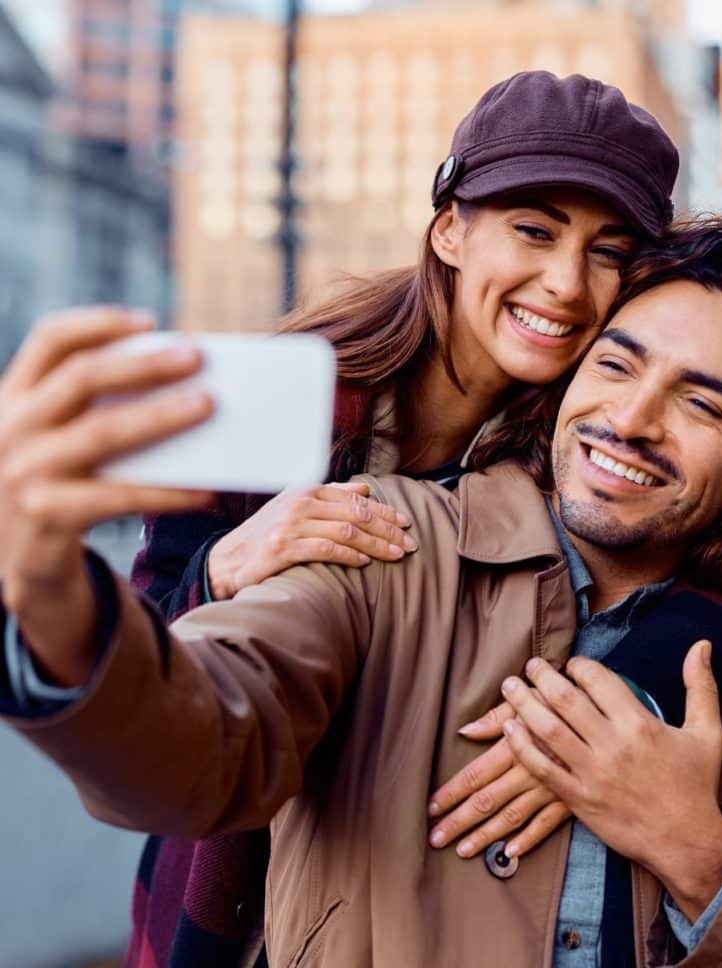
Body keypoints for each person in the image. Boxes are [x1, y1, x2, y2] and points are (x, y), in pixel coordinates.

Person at [2, 217, 722, 968]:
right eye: (615, 366)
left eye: (700, 405)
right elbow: (201, 735)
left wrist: (701, 853)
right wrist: (51, 601)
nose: (631, 420)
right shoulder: (385, 539)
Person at [126, 70, 679, 965]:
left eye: (609, 251)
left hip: (436, 905)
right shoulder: (275, 397)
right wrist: (225, 569)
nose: (568, 285)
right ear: (451, 229)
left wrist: (599, 720)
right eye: (533, 231)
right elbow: (135, 673)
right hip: (227, 887)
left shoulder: (601, 437)